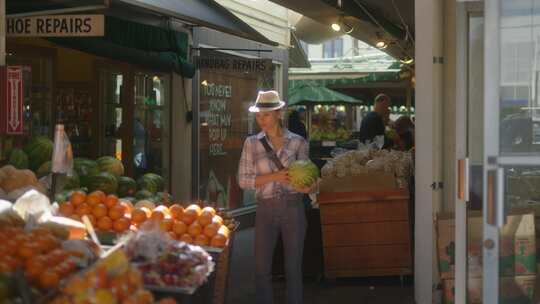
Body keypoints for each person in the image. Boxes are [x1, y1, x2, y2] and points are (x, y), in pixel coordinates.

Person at [238, 90, 316, 304]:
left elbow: (309, 179)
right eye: (258, 115)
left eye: (266, 114)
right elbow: (243, 180)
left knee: (293, 270)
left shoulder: (298, 142)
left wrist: (308, 187)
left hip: (294, 208)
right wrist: (276, 176)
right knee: (261, 270)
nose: (261, 119)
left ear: (279, 113)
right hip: (265, 209)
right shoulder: (251, 143)